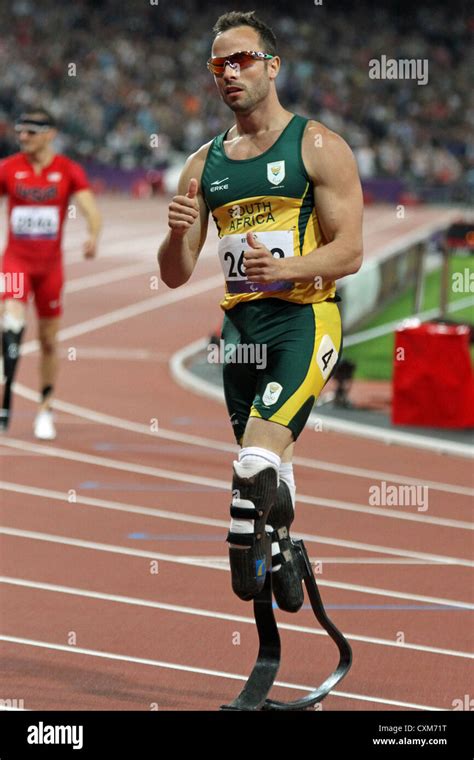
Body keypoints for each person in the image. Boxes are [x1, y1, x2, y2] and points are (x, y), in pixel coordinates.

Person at [158, 11, 363, 610]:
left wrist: (286, 269)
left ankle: (244, 549)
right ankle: (284, 551)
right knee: (273, 464)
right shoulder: (202, 166)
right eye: (219, 64)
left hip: (304, 320)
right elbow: (174, 274)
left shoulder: (319, 146)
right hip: (240, 334)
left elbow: (349, 250)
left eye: (242, 59)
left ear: (273, 67)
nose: (229, 73)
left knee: (252, 462)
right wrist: (175, 235)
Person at [0, 108, 101, 439]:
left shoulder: (67, 170)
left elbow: (90, 209)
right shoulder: (9, 168)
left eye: (30, 131)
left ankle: (45, 408)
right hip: (15, 262)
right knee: (11, 319)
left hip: (49, 270)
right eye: (20, 131)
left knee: (47, 341)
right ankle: (6, 391)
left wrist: (92, 235)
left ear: (49, 134)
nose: (23, 137)